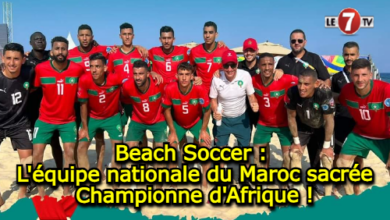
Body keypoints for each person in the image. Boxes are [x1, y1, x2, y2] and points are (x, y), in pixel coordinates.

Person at [32, 36, 85, 198]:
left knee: (69, 153)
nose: (60, 52)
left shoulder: (77, 69)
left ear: (67, 51)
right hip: (45, 119)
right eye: (57, 48)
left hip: (68, 120)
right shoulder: (41, 69)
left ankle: (67, 190)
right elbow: (32, 90)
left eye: (63, 49)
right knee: (37, 155)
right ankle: (41, 192)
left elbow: (84, 92)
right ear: (52, 51)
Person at [337, 59, 390, 195]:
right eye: (356, 75)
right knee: (341, 164)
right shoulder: (347, 90)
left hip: (385, 136)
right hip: (360, 134)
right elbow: (338, 99)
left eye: (364, 75)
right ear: (351, 75)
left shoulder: (385, 90)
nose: (360, 79)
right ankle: (352, 197)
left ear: (370, 75)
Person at [210, 50, 258, 184]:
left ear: (237, 64)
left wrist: (254, 104)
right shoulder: (217, 78)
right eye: (226, 66)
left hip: (241, 118)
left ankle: (245, 178)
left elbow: (251, 95)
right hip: (223, 119)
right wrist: (215, 111)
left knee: (244, 150)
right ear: (222, 66)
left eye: (232, 65)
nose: (229, 69)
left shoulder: (245, 75)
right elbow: (213, 99)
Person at [162, 62, 212, 193]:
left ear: (192, 76)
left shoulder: (199, 89)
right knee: (171, 147)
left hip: (196, 121)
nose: (184, 78)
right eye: (181, 74)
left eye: (187, 75)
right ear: (176, 76)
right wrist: (172, 131)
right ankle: (174, 184)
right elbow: (166, 109)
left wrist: (203, 130)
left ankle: (204, 183)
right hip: (178, 122)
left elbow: (207, 110)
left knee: (205, 145)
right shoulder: (170, 88)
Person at [285, 69, 335, 197]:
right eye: (300, 83)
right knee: (295, 154)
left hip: (321, 128)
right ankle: (297, 187)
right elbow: (291, 117)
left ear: (316, 84)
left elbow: (329, 120)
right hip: (303, 126)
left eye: (306, 84)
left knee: (325, 158)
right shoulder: (292, 92)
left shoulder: (324, 93)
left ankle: (326, 193)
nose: (302, 87)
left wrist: (327, 145)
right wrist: (296, 142)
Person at [25, 32, 63, 193]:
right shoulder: (26, 61)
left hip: (50, 107)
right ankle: (33, 178)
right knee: (34, 145)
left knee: (55, 142)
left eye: (42, 39)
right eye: (36, 39)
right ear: (31, 42)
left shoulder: (52, 56)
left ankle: (62, 173)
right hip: (32, 109)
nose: (40, 41)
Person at [77, 53, 125, 182]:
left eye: (97, 66)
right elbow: (83, 105)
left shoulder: (116, 78)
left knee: (118, 149)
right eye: (91, 66)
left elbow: (133, 82)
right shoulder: (84, 80)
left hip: (112, 117)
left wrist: (152, 73)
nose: (94, 70)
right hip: (92, 117)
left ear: (105, 68)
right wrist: (85, 127)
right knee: (81, 147)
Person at [121, 60, 168, 188]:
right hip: (138, 119)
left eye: (141, 73)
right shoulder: (128, 86)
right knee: (130, 147)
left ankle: (158, 187)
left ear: (148, 74)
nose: (138, 77)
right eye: (135, 74)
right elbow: (124, 98)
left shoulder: (159, 82)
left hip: (158, 119)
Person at [0, 43, 34, 204]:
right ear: (2, 58)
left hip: (20, 123)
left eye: (16, 59)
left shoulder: (29, 72)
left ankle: (22, 192)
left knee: (27, 161)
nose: (12, 63)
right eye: (8, 58)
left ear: (23, 60)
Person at [252, 53, 298, 170]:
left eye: (270, 64)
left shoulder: (285, 79)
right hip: (263, 124)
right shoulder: (253, 80)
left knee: (288, 157)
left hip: (283, 125)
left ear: (274, 65)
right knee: (258, 156)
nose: (267, 67)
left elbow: (305, 81)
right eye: (263, 65)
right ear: (258, 66)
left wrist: (320, 83)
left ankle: (284, 183)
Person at [331, 41, 363, 196]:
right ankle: (338, 183)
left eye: (352, 54)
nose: (349, 57)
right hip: (341, 121)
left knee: (358, 158)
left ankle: (356, 186)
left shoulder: (363, 77)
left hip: (360, 123)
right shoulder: (336, 78)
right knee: (338, 156)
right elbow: (331, 99)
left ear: (358, 55)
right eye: (346, 54)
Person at [238, 38, 284, 133]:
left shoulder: (263, 64)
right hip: (244, 108)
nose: (249, 53)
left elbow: (274, 73)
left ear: (257, 51)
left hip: (261, 108)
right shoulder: (238, 66)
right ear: (243, 51)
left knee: (263, 138)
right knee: (245, 137)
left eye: (252, 50)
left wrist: (280, 70)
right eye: (246, 50)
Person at [189, 21, 229, 92]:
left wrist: (221, 70)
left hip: (219, 91)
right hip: (201, 91)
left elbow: (232, 69)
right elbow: (189, 71)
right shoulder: (194, 51)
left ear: (216, 34)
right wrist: (194, 77)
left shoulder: (224, 50)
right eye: (205, 32)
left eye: (210, 32)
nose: (207, 36)